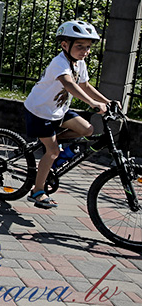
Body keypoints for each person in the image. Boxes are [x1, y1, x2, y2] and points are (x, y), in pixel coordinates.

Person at [23, 21, 110, 209]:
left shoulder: (79, 63)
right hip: (40, 112)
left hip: (58, 111)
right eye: (80, 46)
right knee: (53, 152)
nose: (85, 51)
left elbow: (85, 85)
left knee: (87, 129)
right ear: (65, 45)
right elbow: (69, 84)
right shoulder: (59, 63)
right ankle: (37, 191)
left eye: (88, 47)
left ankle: (52, 143)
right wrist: (92, 103)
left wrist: (107, 102)